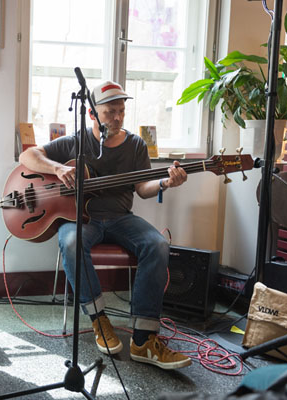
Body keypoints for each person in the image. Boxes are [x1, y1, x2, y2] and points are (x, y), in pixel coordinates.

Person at [19, 81, 191, 370]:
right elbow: (27, 156)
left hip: (121, 218)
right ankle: (99, 319)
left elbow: (143, 188)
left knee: (157, 244)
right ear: (91, 113)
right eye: (110, 111)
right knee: (71, 241)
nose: (118, 117)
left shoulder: (135, 145)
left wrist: (165, 182)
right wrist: (58, 168)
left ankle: (144, 339)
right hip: (81, 219)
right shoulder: (75, 141)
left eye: (121, 111)